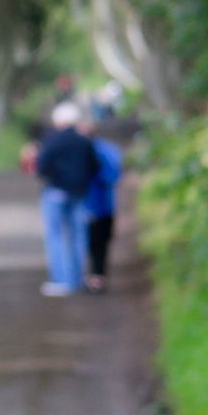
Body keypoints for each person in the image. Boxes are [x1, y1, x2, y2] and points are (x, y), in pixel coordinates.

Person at [35, 102, 100, 297]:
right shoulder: (84, 141)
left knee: (56, 236)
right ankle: (76, 280)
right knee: (78, 236)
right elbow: (95, 166)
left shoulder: (52, 140)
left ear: (58, 121)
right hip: (79, 193)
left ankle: (62, 281)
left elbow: (41, 166)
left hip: (55, 193)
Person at [79, 122, 123, 292]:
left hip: (95, 204)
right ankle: (96, 275)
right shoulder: (108, 149)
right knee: (99, 243)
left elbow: (111, 175)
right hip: (101, 204)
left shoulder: (98, 150)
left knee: (94, 242)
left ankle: (95, 276)